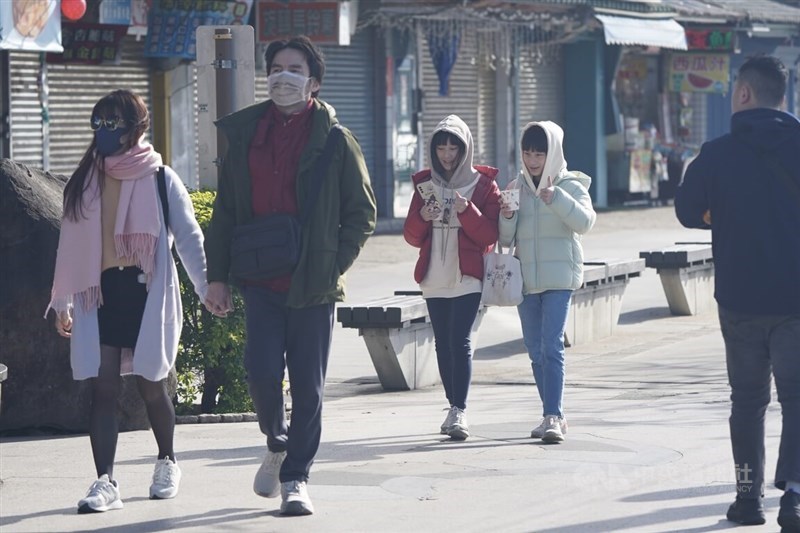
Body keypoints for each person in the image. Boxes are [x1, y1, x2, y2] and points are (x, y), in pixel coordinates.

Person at [204, 35, 376, 516]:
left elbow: (362, 212)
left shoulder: (336, 140)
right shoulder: (246, 136)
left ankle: (297, 475)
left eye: (294, 69)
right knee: (260, 372)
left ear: (313, 82)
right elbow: (226, 212)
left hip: (312, 285)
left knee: (308, 386)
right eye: (276, 68)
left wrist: (329, 264)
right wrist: (217, 276)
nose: (283, 76)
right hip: (261, 280)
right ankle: (277, 440)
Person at [46, 89, 214, 513]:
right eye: (98, 123)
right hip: (99, 294)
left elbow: (190, 237)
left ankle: (167, 461)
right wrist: (63, 300)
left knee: (151, 384)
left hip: (146, 290)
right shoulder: (85, 180)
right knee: (102, 388)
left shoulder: (160, 177)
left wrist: (207, 286)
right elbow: (69, 245)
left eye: (113, 123)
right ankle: (105, 481)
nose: (104, 131)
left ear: (135, 127)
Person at [675, 55, 800, 531]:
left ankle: (748, 500)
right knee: (798, 399)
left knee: (747, 402)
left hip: (740, 300)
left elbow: (687, 211)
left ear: (744, 94)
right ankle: (794, 497)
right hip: (796, 301)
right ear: (781, 97)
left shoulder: (716, 153)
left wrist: (719, 211)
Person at [403, 114, 501, 441]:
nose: (446, 154)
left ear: (465, 149)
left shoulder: (484, 186)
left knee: (460, 341)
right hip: (434, 276)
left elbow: (489, 235)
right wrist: (422, 216)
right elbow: (411, 236)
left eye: (453, 148)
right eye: (441, 147)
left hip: (468, 275)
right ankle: (452, 407)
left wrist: (466, 210)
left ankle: (460, 410)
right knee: (443, 344)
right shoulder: (424, 184)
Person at [498, 121, 595, 444]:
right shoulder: (515, 186)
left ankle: (552, 415)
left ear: (552, 151)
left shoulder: (571, 183)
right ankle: (552, 414)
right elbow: (505, 238)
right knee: (535, 349)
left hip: (559, 279)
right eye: (528, 152)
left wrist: (557, 199)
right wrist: (507, 216)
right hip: (526, 279)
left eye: (539, 153)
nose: (533, 159)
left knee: (551, 345)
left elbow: (585, 222)